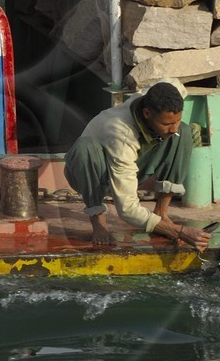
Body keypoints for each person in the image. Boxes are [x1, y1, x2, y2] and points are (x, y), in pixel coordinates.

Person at [64, 79, 210, 251]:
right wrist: (180, 231)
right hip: (93, 175)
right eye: (166, 124)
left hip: (133, 166)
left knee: (184, 132)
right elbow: (127, 210)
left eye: (176, 121)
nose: (173, 128)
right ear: (147, 113)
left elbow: (171, 82)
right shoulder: (122, 134)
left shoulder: (162, 96)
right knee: (85, 148)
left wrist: (171, 125)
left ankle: (161, 213)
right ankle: (98, 222)